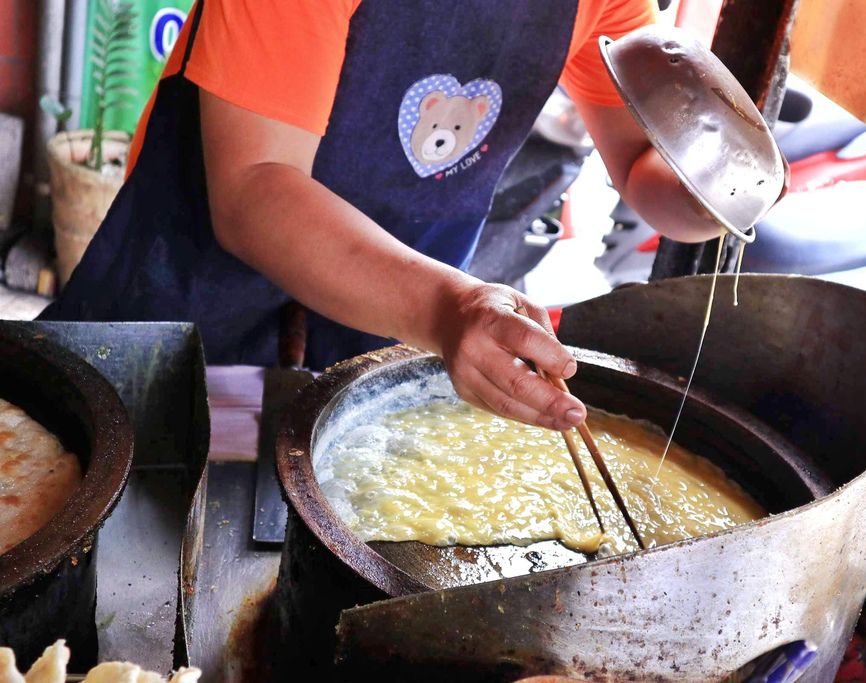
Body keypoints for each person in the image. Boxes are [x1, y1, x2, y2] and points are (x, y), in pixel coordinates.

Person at [41, 0, 722, 432]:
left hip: (374, 322)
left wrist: (713, 188)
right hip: (187, 300)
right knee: (115, 495)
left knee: (302, 526)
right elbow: (254, 188)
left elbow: (640, 164)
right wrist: (450, 308)